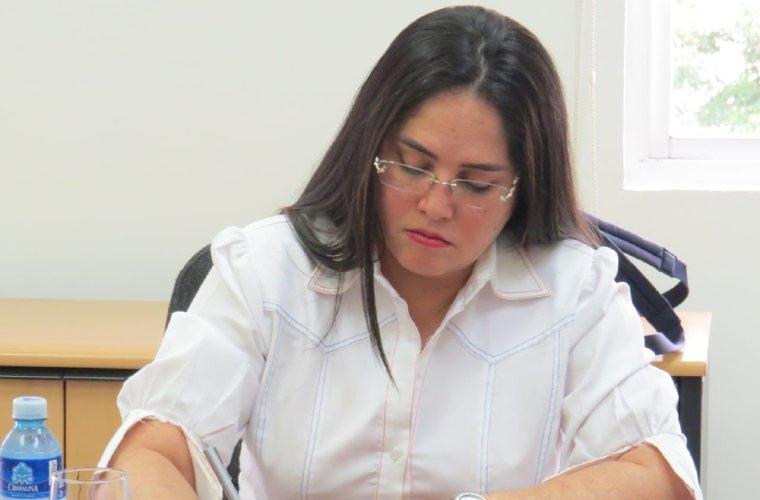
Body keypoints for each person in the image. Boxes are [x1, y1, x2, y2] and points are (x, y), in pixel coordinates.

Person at [98, 6, 701, 499]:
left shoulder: (574, 289)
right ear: (370, 148)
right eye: (412, 167)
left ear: (523, 186)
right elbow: (154, 448)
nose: (436, 205)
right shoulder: (265, 270)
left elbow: (655, 471)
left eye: (476, 184)